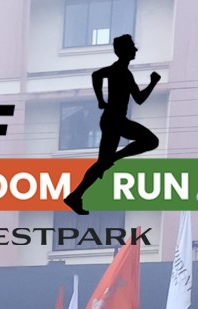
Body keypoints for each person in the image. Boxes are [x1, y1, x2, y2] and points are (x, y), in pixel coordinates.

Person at [65, 33, 161, 214]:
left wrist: (101, 100)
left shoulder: (122, 71)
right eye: (132, 47)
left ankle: (75, 196)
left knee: (102, 164)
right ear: (125, 50)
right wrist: (153, 83)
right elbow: (138, 98)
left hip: (113, 120)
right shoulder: (119, 71)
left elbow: (99, 76)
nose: (135, 49)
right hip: (115, 120)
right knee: (151, 141)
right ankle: (112, 160)